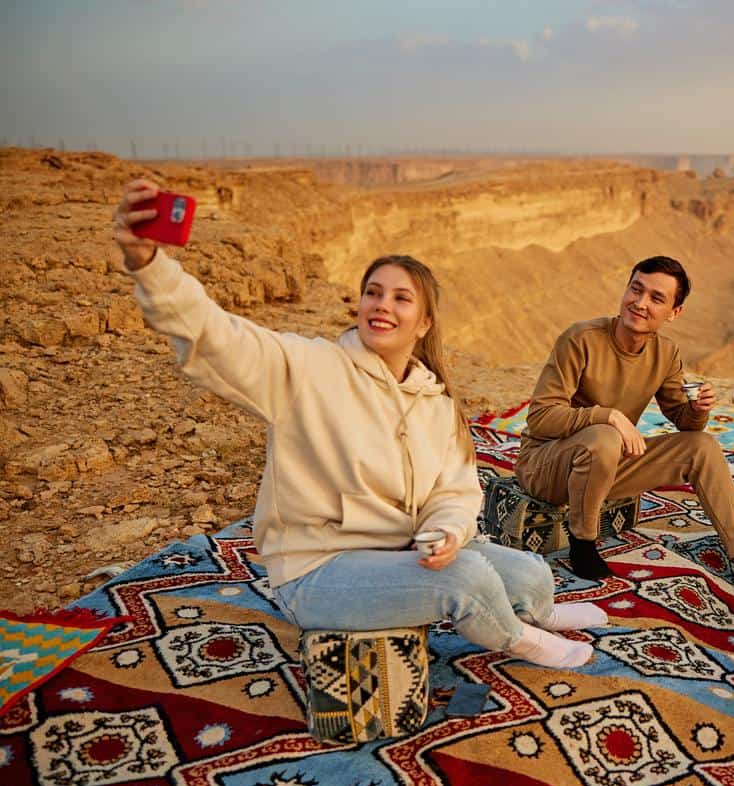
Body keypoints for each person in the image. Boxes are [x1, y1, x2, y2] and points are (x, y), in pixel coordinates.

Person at [111, 179, 603, 669]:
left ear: (424, 323)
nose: (383, 305)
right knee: (470, 577)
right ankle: (520, 639)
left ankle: (535, 611)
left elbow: (454, 490)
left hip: (401, 551)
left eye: (401, 298)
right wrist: (151, 266)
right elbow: (217, 336)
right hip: (321, 571)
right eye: (373, 292)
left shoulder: (434, 402)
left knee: (531, 575)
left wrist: (446, 531)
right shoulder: (308, 369)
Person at [514, 255, 734, 599]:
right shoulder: (581, 338)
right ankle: (584, 544)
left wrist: (697, 409)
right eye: (635, 290)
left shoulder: (665, 353)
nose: (639, 303)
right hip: (546, 466)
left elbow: (683, 422)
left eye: (656, 298)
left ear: (674, 312)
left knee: (703, 446)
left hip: (604, 466)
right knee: (605, 436)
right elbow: (541, 417)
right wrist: (607, 415)